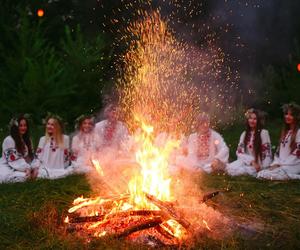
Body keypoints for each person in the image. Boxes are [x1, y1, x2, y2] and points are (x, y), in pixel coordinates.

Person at [257, 103, 300, 180]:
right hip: (281, 165)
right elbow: (278, 152)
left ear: (296, 117)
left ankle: (295, 176)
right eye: (286, 114)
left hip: (292, 165)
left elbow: (297, 154)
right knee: (261, 174)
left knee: (268, 175)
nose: (288, 116)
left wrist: (281, 164)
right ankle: (283, 174)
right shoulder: (285, 132)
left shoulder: (298, 132)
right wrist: (275, 163)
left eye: (291, 115)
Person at [226, 108, 272, 177]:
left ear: (259, 121)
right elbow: (239, 152)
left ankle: (254, 172)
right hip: (246, 161)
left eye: (255, 119)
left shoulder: (263, 133)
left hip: (258, 163)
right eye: (250, 118)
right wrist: (251, 161)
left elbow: (267, 153)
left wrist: (264, 167)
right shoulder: (244, 134)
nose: (252, 121)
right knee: (230, 168)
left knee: (240, 171)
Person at [0, 115, 38, 182]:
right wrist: (27, 168)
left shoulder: (27, 139)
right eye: (20, 126)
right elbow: (13, 160)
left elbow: (31, 157)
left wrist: (34, 167)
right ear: (15, 127)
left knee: (38, 172)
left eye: (25, 125)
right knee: (23, 177)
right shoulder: (9, 140)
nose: (23, 128)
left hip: (23, 166)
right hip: (9, 165)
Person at [35, 115, 72, 179]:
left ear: (58, 127)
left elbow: (66, 157)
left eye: (52, 125)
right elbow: (39, 157)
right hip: (45, 168)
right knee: (42, 174)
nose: (49, 126)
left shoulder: (65, 138)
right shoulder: (43, 139)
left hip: (59, 168)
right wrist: (36, 168)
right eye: (48, 124)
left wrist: (64, 166)